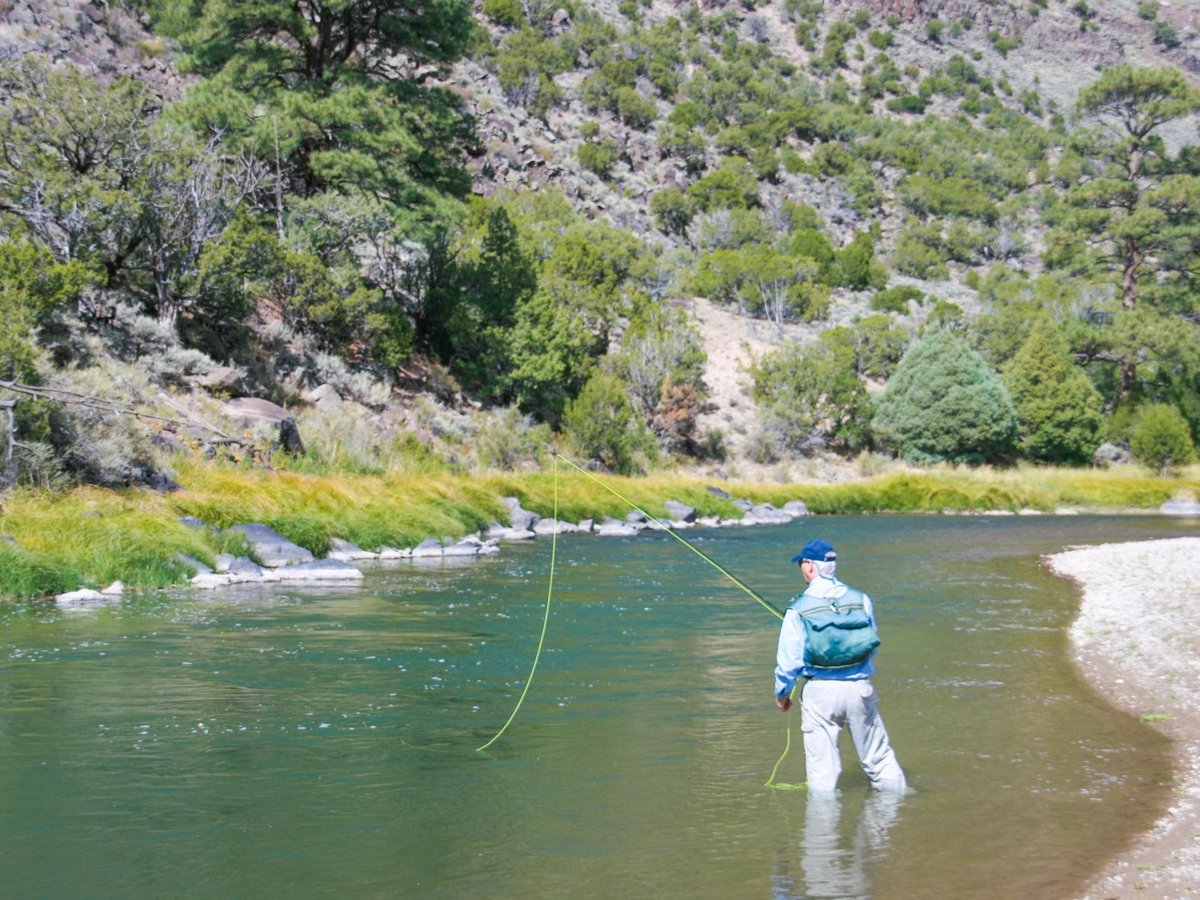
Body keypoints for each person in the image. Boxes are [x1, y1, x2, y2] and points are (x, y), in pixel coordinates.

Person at [774, 538, 906, 793]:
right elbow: (872, 644)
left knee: (823, 774)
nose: (801, 568)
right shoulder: (861, 599)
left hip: (820, 693)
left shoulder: (798, 608)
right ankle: (897, 816)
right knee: (879, 760)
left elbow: (788, 662)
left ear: (810, 567)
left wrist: (782, 694)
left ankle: (823, 831)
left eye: (802, 563)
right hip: (860, 688)